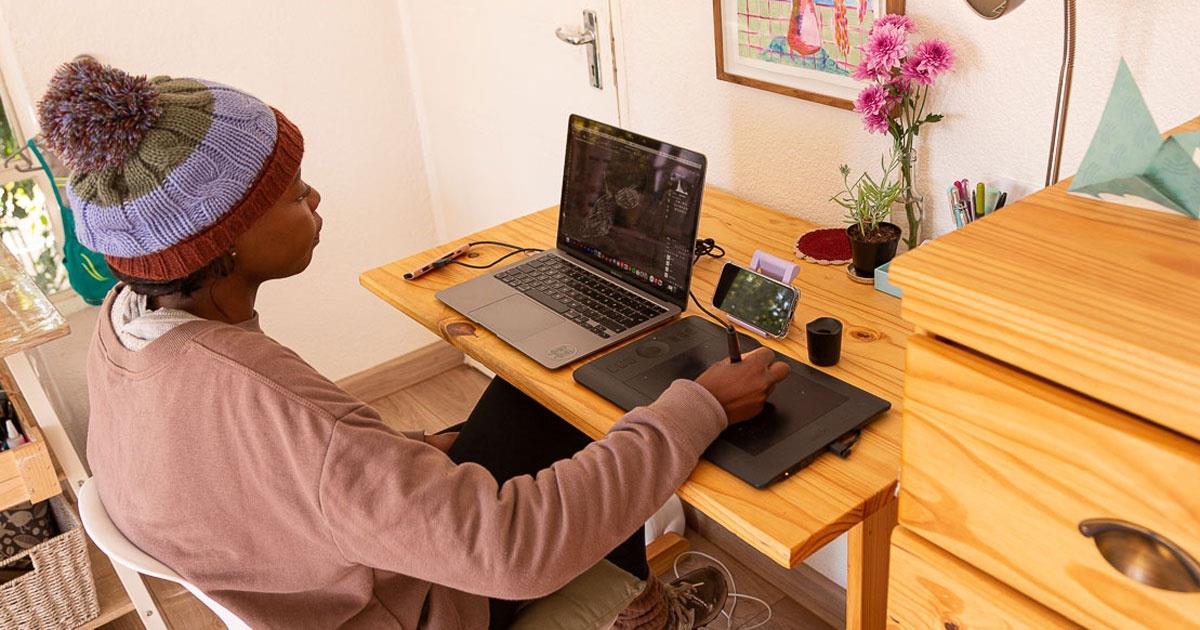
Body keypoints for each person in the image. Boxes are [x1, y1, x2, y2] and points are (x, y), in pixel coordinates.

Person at [40, 58, 789, 629]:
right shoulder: (274, 409)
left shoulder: (123, 328)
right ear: (224, 243)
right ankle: (644, 614)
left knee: (541, 397)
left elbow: (300, 474)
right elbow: (517, 549)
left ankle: (640, 599)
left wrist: (410, 449)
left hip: (306, 572)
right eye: (295, 192)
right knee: (601, 426)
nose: (316, 198)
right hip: (411, 610)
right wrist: (700, 408)